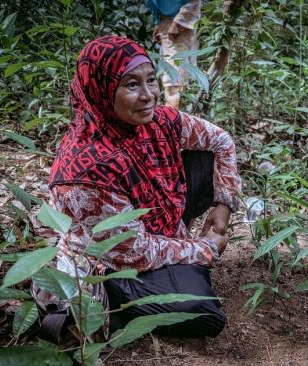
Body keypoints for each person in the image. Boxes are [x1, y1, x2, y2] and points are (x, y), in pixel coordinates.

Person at [37, 35, 241, 342]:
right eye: (132, 85)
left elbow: (221, 141)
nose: (149, 95)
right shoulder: (85, 170)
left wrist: (223, 206)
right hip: (114, 261)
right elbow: (135, 251)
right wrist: (204, 249)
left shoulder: (158, 122)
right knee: (202, 312)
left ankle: (175, 264)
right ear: (102, 91)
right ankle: (114, 305)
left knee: (203, 153)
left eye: (151, 81)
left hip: (151, 231)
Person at [148, 0, 203, 109]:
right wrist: (158, 23)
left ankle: (172, 119)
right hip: (166, 23)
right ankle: (173, 117)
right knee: (170, 74)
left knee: (173, 80)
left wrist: (178, 22)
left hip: (181, 24)